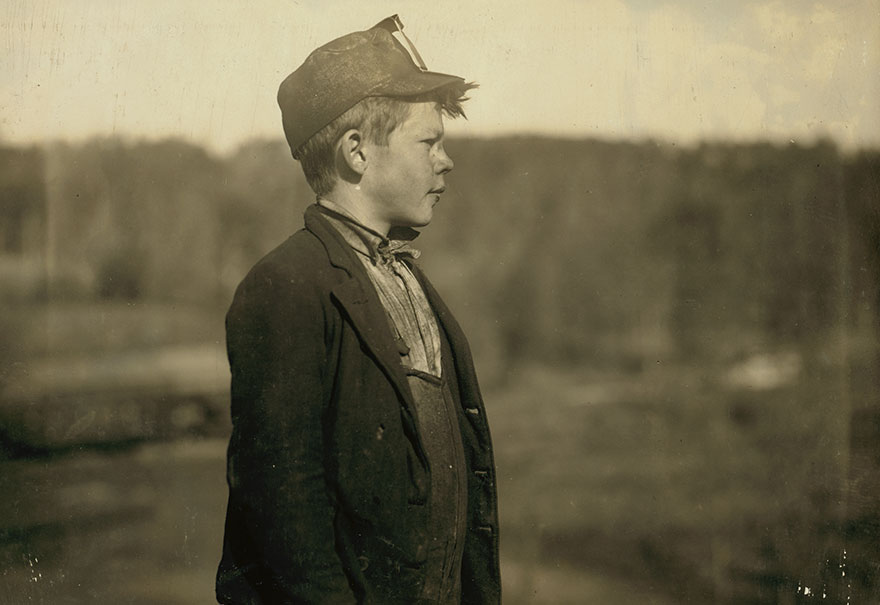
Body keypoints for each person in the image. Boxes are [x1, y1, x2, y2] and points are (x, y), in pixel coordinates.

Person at [216, 15, 500, 604]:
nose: (446, 161)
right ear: (356, 153)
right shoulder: (287, 287)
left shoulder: (406, 276)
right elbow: (285, 513)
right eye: (429, 141)